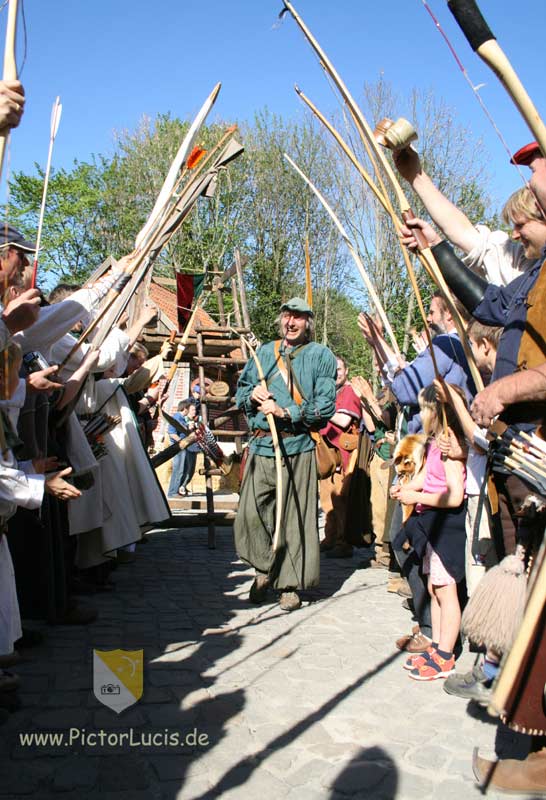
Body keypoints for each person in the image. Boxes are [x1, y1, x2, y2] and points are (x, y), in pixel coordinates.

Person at [234, 297, 336, 612]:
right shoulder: (264, 352)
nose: (290, 323)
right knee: (250, 514)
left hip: (297, 446)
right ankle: (265, 569)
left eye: (298, 318)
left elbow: (325, 405)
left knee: (295, 518)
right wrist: (251, 394)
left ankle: (289, 585)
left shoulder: (321, 356)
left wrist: (285, 410)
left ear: (308, 322)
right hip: (263, 445)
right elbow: (240, 390)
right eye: (287, 317)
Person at [392, 384, 467, 681]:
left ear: (437, 411)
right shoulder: (436, 441)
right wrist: (406, 488)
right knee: (435, 587)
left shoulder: (451, 444)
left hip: (445, 524)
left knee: (447, 591)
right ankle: (436, 646)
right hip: (429, 521)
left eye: (424, 407)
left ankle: (446, 655)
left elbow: (454, 496)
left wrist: (417, 499)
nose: (420, 413)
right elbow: (426, 477)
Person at [318, 356, 362, 558]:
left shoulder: (349, 391)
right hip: (327, 451)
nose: (336, 373)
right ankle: (330, 537)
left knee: (341, 500)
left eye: (340, 369)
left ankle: (343, 542)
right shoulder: (330, 392)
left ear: (347, 370)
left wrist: (321, 411)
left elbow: (344, 421)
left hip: (343, 451)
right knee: (327, 498)